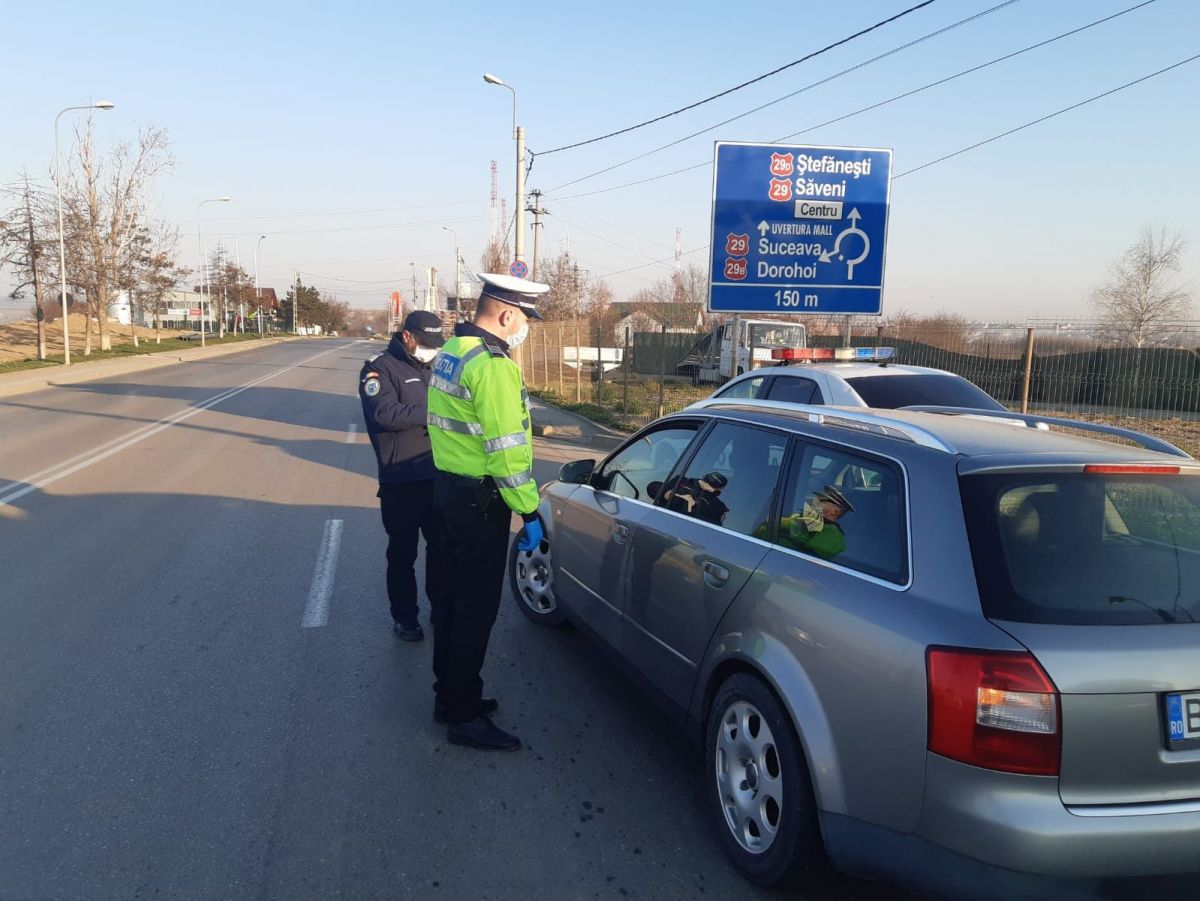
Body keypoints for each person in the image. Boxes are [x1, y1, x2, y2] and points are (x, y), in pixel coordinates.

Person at [426, 272, 546, 752]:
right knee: (475, 612)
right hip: (479, 505)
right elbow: (507, 454)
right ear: (506, 314)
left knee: (449, 604)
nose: (524, 329)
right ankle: (463, 717)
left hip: (446, 493)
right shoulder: (494, 366)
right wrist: (530, 513)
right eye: (525, 319)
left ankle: (450, 697)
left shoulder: (452, 352)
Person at [359, 310, 446, 641]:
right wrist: (435, 414)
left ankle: (440, 609)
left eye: (435, 344)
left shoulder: (434, 368)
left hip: (437, 476)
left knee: (441, 550)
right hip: (401, 480)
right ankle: (406, 618)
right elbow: (384, 413)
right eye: (426, 343)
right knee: (402, 555)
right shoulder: (379, 369)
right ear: (407, 336)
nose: (430, 350)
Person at [773, 485, 854, 560]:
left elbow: (806, 560)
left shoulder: (834, 535)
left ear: (834, 512)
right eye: (817, 497)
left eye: (822, 501)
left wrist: (787, 524)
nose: (814, 500)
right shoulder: (804, 516)